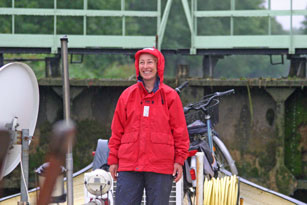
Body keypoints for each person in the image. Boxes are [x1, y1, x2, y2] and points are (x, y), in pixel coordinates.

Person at [107, 47, 189, 205]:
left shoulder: (171, 96)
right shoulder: (127, 95)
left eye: (150, 62)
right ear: (138, 67)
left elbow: (180, 132)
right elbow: (117, 131)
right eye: (142, 63)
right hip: (129, 164)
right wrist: (113, 160)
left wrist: (179, 160)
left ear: (159, 66)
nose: (146, 66)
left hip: (160, 165)